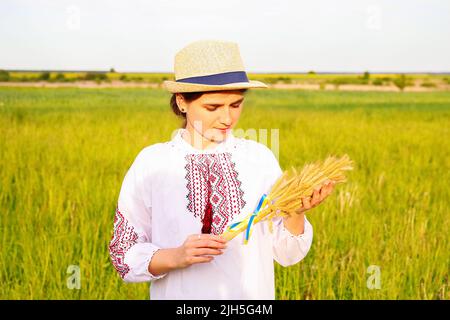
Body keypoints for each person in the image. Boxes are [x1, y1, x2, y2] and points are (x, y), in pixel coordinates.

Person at [108, 40, 335, 300]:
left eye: (236, 105)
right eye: (212, 107)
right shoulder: (152, 163)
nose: (227, 119)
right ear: (182, 101)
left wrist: (296, 213)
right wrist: (176, 256)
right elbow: (123, 254)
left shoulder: (259, 158)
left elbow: (287, 254)